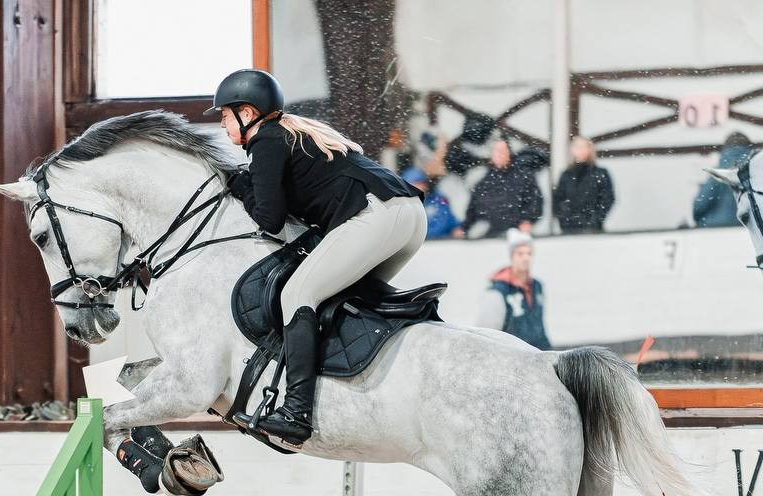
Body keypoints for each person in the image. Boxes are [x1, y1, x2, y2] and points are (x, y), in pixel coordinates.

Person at [213, 69, 425, 446]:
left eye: (225, 116)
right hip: (409, 215)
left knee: (295, 296)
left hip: (375, 216)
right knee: (341, 299)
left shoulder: (267, 141)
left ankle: (296, 413)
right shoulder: (295, 131)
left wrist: (238, 183)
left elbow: (270, 219)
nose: (223, 125)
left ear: (247, 113)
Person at [475, 228, 551, 350]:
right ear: (512, 256)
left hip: (539, 355)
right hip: (513, 358)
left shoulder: (537, 287)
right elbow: (486, 335)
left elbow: (539, 326)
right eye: (520, 254)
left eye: (529, 253)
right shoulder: (498, 291)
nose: (525, 258)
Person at [463, 140, 544, 238]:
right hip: (488, 235)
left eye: (503, 151)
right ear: (491, 156)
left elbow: (535, 201)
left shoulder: (524, 177)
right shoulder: (483, 183)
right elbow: (472, 210)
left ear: (509, 153)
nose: (500, 154)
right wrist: (465, 227)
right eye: (496, 151)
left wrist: (528, 220)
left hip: (515, 233)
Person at [552, 136, 615, 233]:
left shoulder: (600, 173)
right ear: (572, 150)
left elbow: (608, 198)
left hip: (594, 229)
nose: (580, 150)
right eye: (577, 147)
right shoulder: (566, 175)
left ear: (590, 149)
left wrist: (596, 220)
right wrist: (564, 219)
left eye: (583, 147)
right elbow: (558, 199)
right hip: (569, 229)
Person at [692, 132, 754, 227]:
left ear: (725, 149)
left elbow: (698, 207)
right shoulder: (754, 172)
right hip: (750, 229)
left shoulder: (718, 173)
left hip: (717, 228)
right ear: (749, 148)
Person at [402, 166, 463, 238]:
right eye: (416, 183)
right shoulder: (399, 205)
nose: (420, 187)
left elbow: (450, 220)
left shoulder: (438, 199)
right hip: (418, 245)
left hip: (443, 242)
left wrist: (456, 228)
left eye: (422, 183)